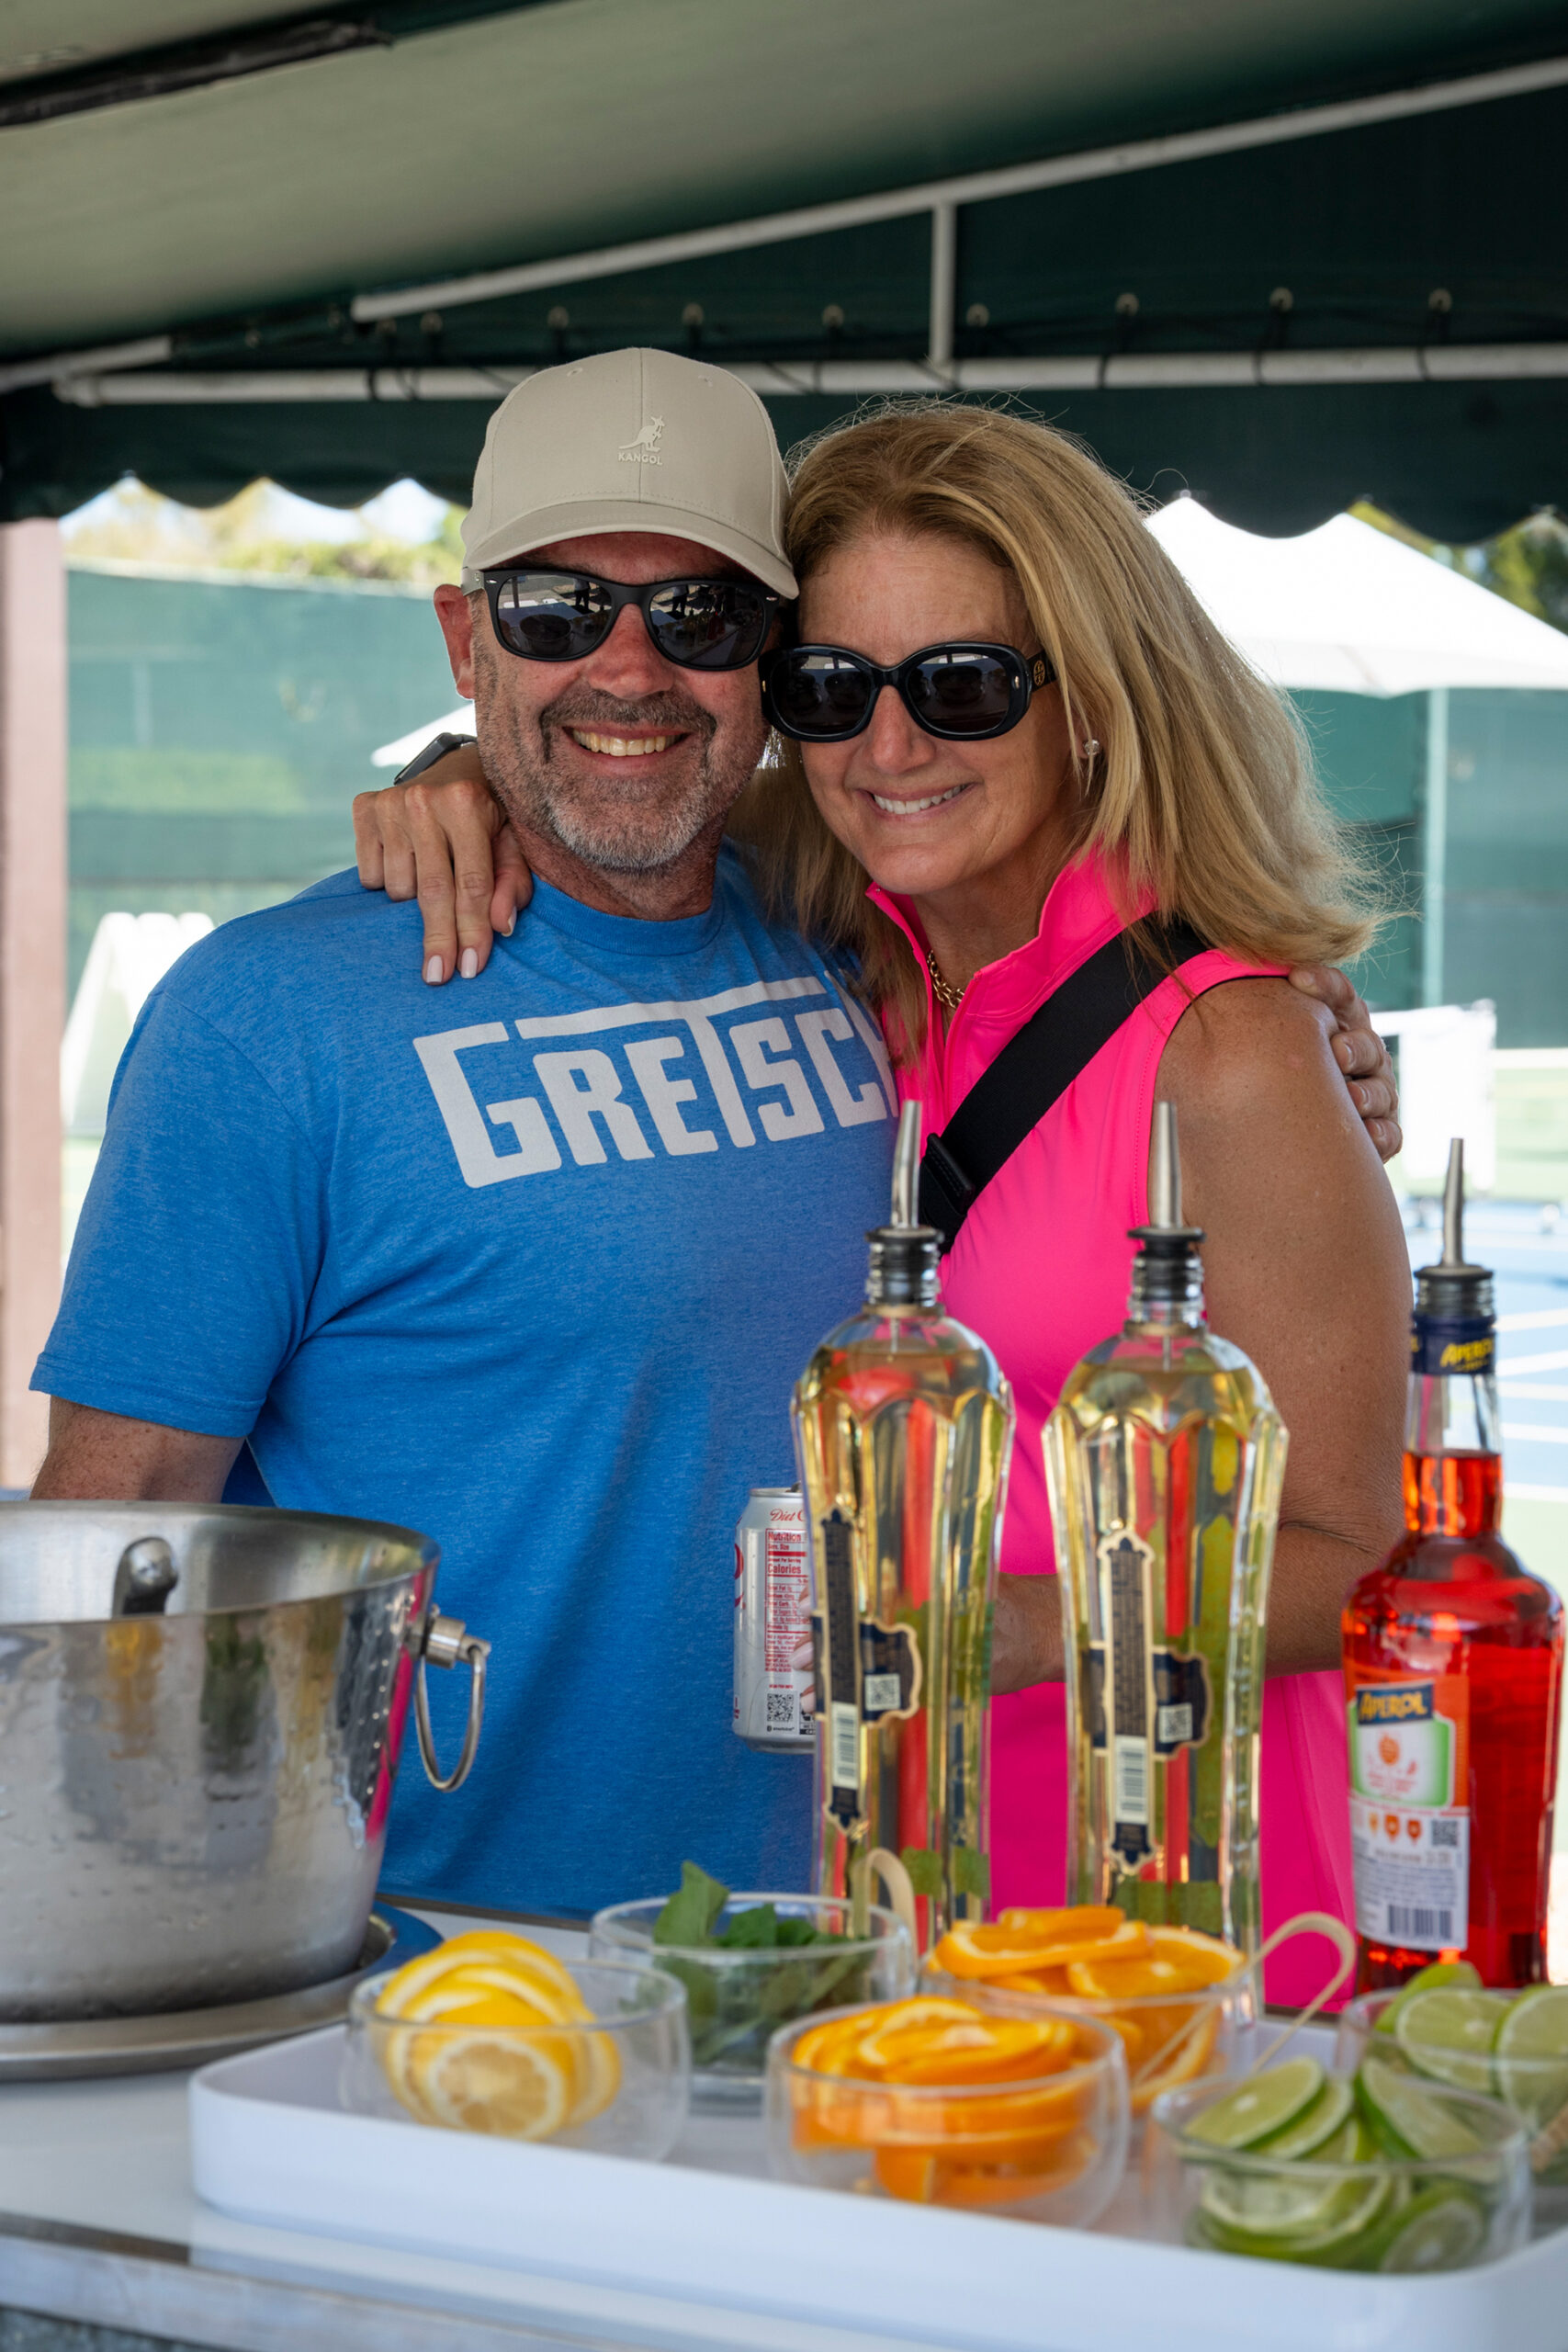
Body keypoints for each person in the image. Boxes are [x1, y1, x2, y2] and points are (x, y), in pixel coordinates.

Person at [39, 350, 1397, 1931]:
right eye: (555, 612)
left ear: (756, 664)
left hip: (916, 1923)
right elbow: (111, 1544)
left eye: (703, 619)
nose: (630, 670)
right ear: (466, 638)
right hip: (446, 1958)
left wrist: (1289, 1051)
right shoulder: (277, 1017)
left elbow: (1344, 1522)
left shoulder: (854, 941)